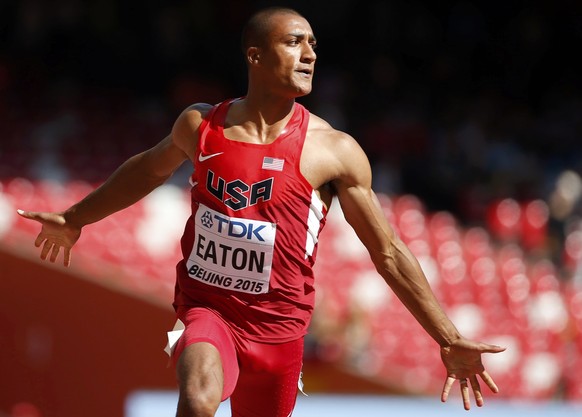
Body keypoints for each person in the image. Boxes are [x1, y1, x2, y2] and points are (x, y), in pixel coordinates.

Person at [17, 6, 506, 417]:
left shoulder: (333, 151)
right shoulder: (200, 125)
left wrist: (448, 337)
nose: (310, 55)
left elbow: (388, 252)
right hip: (208, 311)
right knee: (199, 394)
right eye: (295, 42)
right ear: (255, 54)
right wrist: (75, 217)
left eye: (313, 43)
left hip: (280, 332)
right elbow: (145, 170)